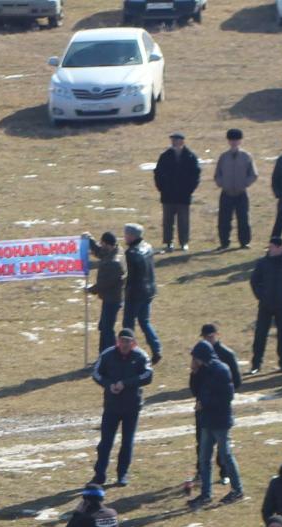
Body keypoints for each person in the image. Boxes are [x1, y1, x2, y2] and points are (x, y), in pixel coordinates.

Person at [90, 329, 151, 487]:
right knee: (106, 442)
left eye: (127, 341)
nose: (124, 344)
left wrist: (126, 383)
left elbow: (148, 375)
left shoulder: (140, 356)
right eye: (122, 340)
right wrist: (109, 385)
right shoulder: (107, 355)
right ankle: (100, 474)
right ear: (118, 341)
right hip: (112, 406)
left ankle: (122, 474)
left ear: (133, 343)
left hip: (131, 407)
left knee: (127, 441)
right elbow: (96, 373)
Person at [189, 339, 238, 507]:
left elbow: (227, 397)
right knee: (204, 458)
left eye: (196, 358)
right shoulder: (203, 370)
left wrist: (205, 403)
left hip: (220, 421)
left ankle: (237, 490)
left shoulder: (221, 370)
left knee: (226, 456)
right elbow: (195, 391)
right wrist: (193, 373)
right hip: (207, 420)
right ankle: (206, 494)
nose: (194, 361)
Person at [248, 237, 282, 375]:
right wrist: (260, 295)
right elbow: (254, 280)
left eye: (272, 247)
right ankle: (256, 364)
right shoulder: (263, 263)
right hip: (265, 304)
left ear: (280, 248)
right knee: (260, 334)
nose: (269, 249)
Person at [155, 132, 201, 252]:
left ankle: (183, 242)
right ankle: (168, 242)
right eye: (172, 140)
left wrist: (190, 190)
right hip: (168, 194)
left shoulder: (190, 157)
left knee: (183, 221)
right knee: (167, 220)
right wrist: (161, 188)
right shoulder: (165, 156)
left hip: (183, 195)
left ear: (182, 141)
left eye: (176, 140)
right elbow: (158, 173)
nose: (174, 142)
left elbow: (195, 175)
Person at [120, 224, 160, 362]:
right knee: (144, 322)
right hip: (149, 291)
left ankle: (128, 350)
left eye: (126, 234)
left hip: (135, 294)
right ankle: (156, 349)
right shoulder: (148, 247)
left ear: (132, 236)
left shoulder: (131, 253)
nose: (124, 236)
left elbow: (129, 277)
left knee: (128, 325)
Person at [85, 233, 122, 352]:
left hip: (113, 299)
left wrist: (90, 290)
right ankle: (103, 354)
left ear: (107, 244)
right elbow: (99, 251)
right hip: (111, 297)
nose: (101, 245)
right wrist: (90, 240)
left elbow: (104, 284)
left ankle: (111, 353)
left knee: (107, 328)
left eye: (102, 243)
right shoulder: (115, 250)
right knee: (104, 327)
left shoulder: (113, 262)